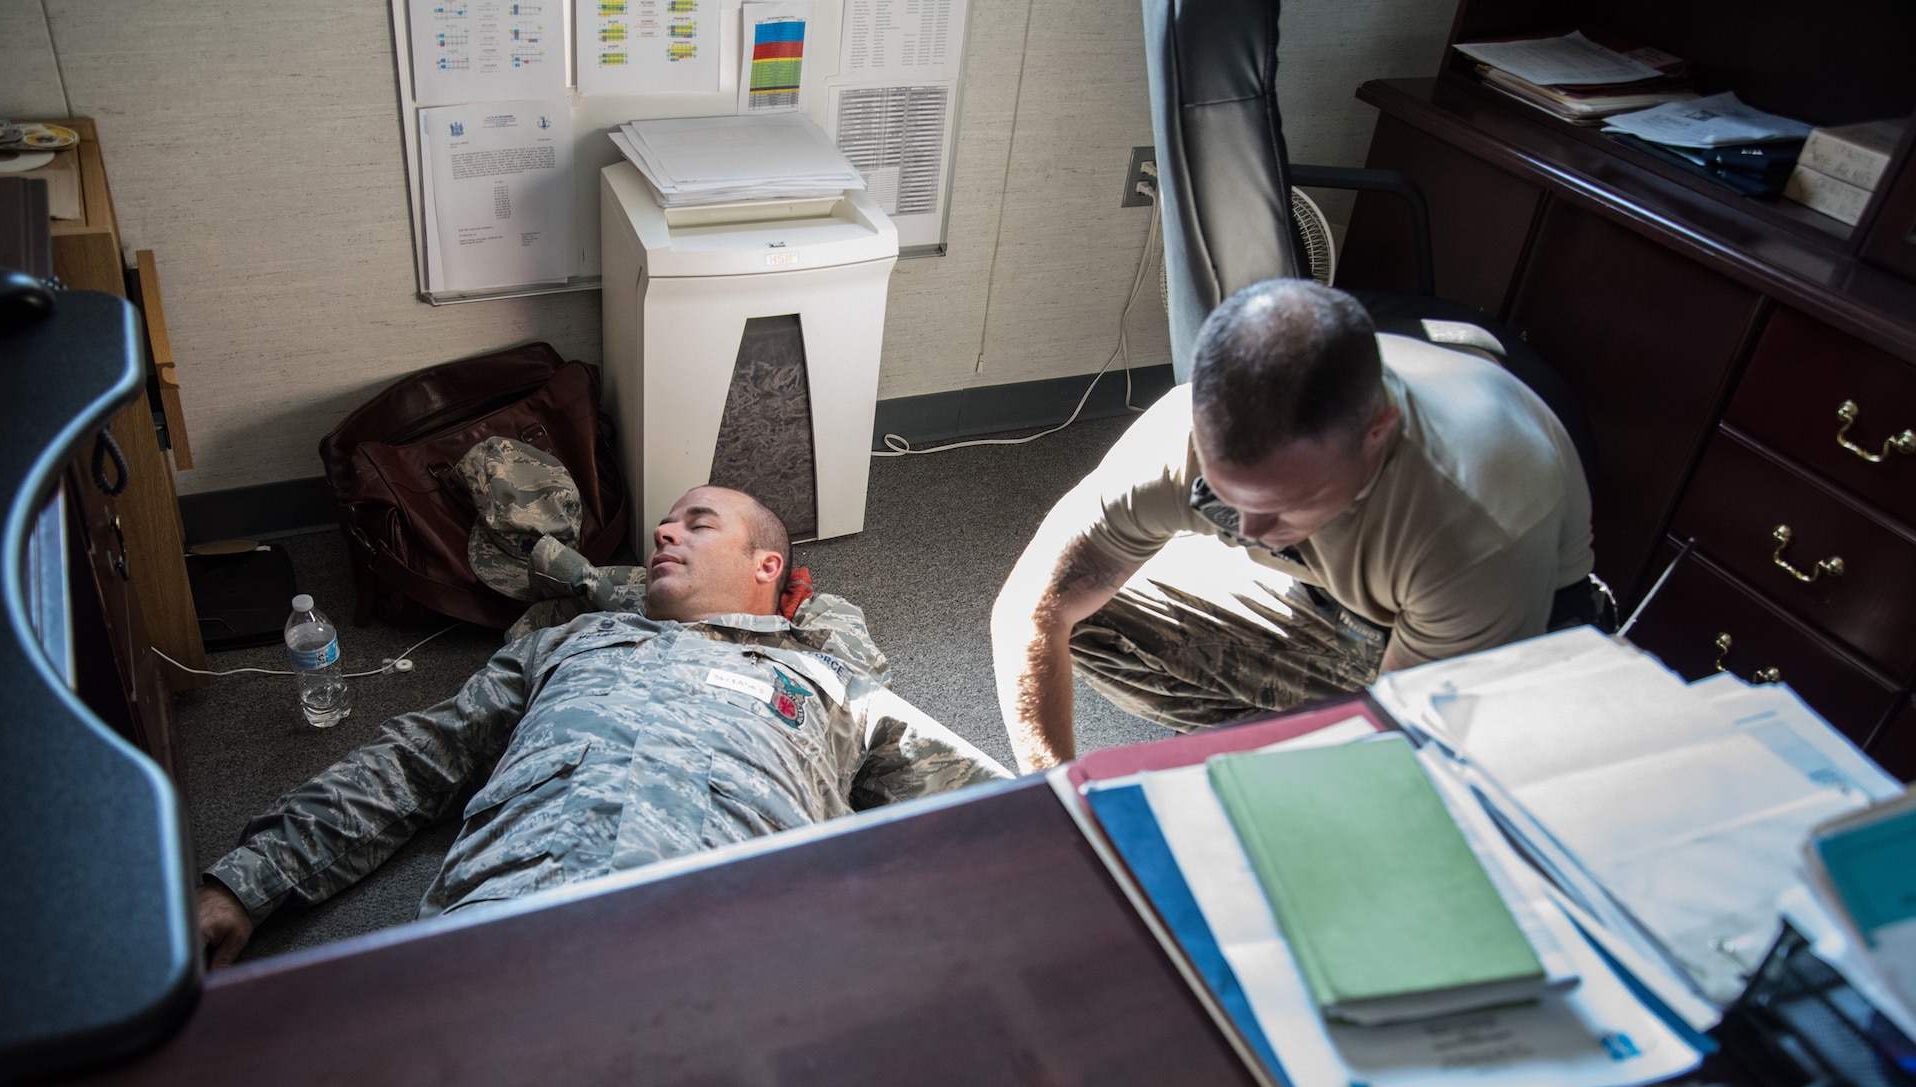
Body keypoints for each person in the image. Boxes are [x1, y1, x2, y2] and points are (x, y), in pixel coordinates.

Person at [198, 470, 1009, 966]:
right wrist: (249, 882)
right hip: (508, 929)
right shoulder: (569, 642)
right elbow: (416, 759)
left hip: (747, 947)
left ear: (769, 566)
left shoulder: (831, 680)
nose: (663, 530)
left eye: (697, 523)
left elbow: (1001, 815)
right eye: (666, 520)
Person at [991, 278, 1597, 771]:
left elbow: (1401, 748)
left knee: (1422, 797)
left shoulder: (1473, 525)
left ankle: (1279, 765)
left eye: (1285, 507)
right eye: (1227, 496)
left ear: (1377, 433)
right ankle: (1259, 759)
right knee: (1093, 617)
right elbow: (1029, 608)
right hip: (1330, 596)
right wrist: (1055, 793)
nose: (1248, 534)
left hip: (1488, 641)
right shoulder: (1181, 431)